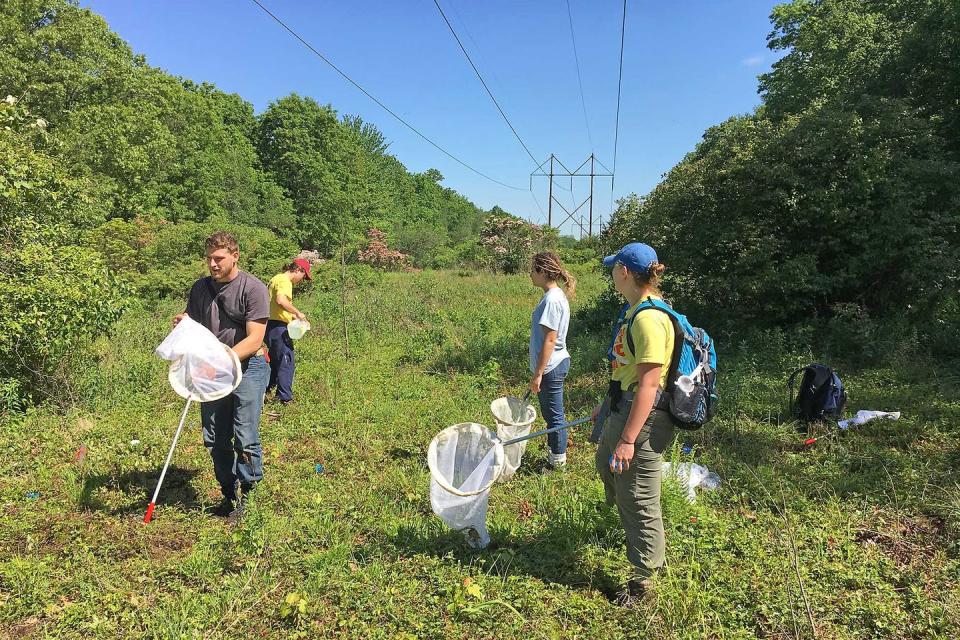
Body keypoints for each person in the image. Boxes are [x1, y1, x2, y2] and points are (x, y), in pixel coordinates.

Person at [592, 241, 676, 605]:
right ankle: (628, 522)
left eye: (614, 268)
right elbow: (627, 371)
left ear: (624, 272)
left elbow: (649, 383)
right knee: (605, 464)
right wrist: (604, 404)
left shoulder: (648, 319)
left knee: (639, 497)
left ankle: (643, 584)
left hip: (642, 417)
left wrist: (628, 439)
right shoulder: (635, 311)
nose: (612, 273)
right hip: (622, 407)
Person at [173, 231, 270, 520]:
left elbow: (254, 339)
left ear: (235, 256)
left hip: (248, 367)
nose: (213, 265)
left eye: (219, 259)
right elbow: (196, 320)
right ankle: (227, 494)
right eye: (209, 259)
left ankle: (249, 495)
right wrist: (183, 322)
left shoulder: (252, 288)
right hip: (211, 369)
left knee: (245, 434)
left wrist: (221, 360)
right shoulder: (200, 288)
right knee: (215, 436)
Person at [528, 252, 576, 470]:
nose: (530, 274)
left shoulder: (551, 299)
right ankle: (555, 455)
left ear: (543, 271)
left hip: (551, 367)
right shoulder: (553, 296)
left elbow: (550, 339)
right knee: (552, 415)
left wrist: (538, 374)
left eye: (533, 270)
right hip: (553, 364)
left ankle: (557, 464)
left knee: (555, 418)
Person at [266, 258, 312, 405]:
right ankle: (285, 398)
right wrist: (298, 313)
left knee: (275, 361)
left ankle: (266, 391)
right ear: (299, 270)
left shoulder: (275, 279)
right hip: (278, 328)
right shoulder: (285, 281)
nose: (302, 279)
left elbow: (277, 307)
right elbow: (281, 301)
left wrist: (295, 317)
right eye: (304, 276)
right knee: (286, 360)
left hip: (270, 325)